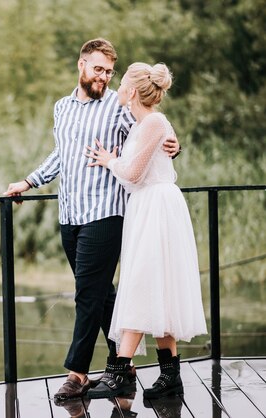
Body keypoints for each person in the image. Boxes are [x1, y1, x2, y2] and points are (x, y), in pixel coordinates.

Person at [3, 38, 180, 401]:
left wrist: (176, 144)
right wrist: (28, 181)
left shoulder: (119, 105)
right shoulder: (62, 107)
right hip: (70, 214)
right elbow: (61, 153)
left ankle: (77, 373)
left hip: (106, 214)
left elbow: (155, 125)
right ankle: (124, 367)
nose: (104, 77)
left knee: (87, 295)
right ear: (82, 65)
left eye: (109, 71)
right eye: (98, 69)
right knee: (102, 296)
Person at [84, 62, 208, 399]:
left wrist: (110, 161)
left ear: (133, 91)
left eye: (122, 83)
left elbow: (135, 173)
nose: (118, 89)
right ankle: (171, 375)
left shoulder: (153, 121)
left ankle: (119, 372)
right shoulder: (144, 123)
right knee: (156, 287)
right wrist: (115, 161)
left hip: (157, 208)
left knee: (142, 284)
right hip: (146, 207)